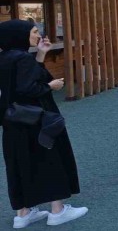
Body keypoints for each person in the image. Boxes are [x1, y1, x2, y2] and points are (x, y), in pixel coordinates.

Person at [0, 20, 88, 228]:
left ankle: (23, 213)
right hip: (36, 119)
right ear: (19, 35)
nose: (38, 35)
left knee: (19, 163)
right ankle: (57, 211)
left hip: (13, 121)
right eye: (33, 31)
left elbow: (25, 80)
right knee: (50, 158)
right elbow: (28, 88)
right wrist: (51, 86)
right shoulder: (22, 58)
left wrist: (40, 55)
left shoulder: (5, 58)